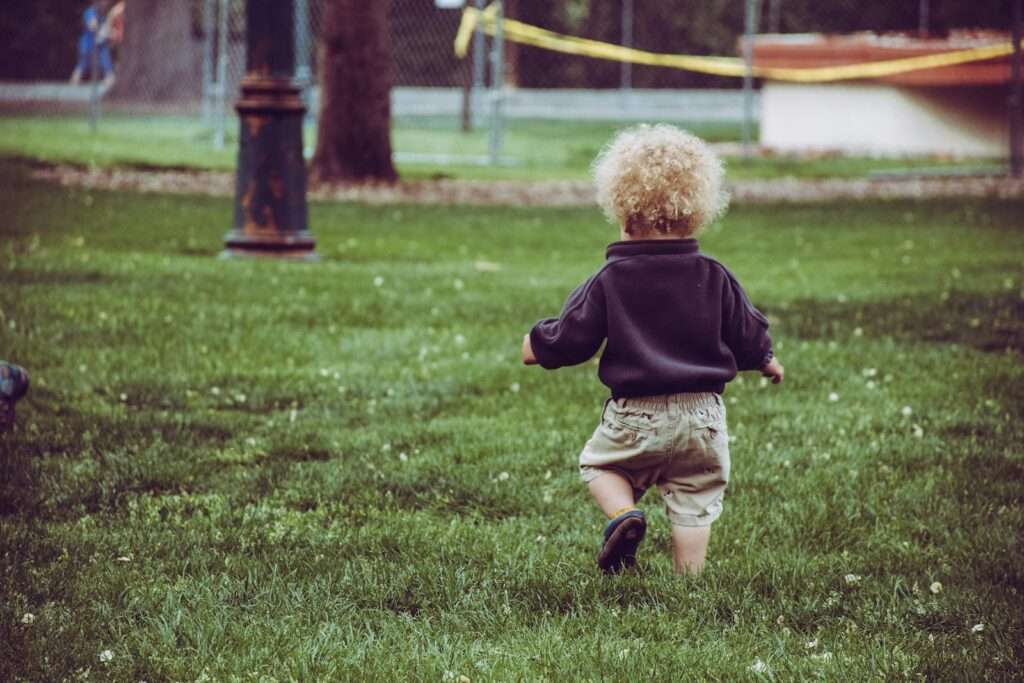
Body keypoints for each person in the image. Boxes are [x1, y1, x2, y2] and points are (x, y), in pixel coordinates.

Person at [522, 124, 784, 575]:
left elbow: (573, 335)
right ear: (696, 213)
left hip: (635, 416)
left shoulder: (611, 278)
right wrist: (765, 359)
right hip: (703, 416)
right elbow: (747, 329)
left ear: (623, 213)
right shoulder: (714, 274)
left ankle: (623, 515)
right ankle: (689, 582)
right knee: (695, 498)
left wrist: (535, 345)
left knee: (600, 467)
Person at [70, 1, 115, 88]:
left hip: (99, 43)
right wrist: (104, 32)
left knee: (105, 59)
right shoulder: (90, 12)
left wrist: (109, 34)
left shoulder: (103, 15)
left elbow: (106, 29)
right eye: (102, 2)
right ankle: (74, 83)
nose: (105, 3)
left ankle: (109, 78)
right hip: (87, 43)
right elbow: (92, 26)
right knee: (83, 64)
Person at [0, 362, 30, 432]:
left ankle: (7, 427)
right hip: (13, 376)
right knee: (6, 405)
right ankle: (7, 426)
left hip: (19, 380)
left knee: (6, 406)